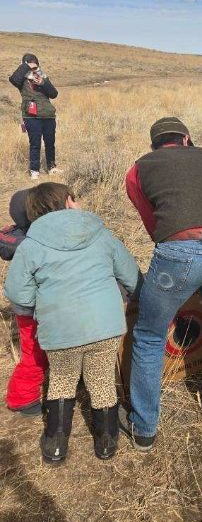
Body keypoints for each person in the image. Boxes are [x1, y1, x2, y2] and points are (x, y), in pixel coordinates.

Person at [121, 117, 202, 450]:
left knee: (149, 337)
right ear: (187, 139)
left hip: (177, 251)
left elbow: (154, 224)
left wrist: (183, 257)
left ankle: (144, 429)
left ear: (154, 145)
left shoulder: (138, 169)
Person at [4, 182, 142, 464]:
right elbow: (132, 277)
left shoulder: (31, 245)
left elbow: (17, 292)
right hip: (105, 326)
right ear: (68, 201)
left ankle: (55, 444)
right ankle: (106, 443)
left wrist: (39, 304)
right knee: (102, 379)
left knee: (62, 381)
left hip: (58, 330)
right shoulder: (102, 234)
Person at [0, 189, 48, 416]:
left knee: (34, 350)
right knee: (34, 354)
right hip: (36, 308)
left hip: (24, 308)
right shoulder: (38, 242)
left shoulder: (15, 237)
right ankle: (22, 398)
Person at [9, 53, 60, 179]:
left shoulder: (42, 76)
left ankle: (52, 167)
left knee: (50, 143)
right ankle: (34, 170)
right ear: (25, 65)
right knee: (35, 144)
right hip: (31, 117)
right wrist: (26, 66)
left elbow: (54, 94)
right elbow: (13, 79)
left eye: (35, 64)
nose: (33, 67)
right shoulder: (22, 79)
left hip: (48, 115)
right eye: (30, 63)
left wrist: (43, 82)